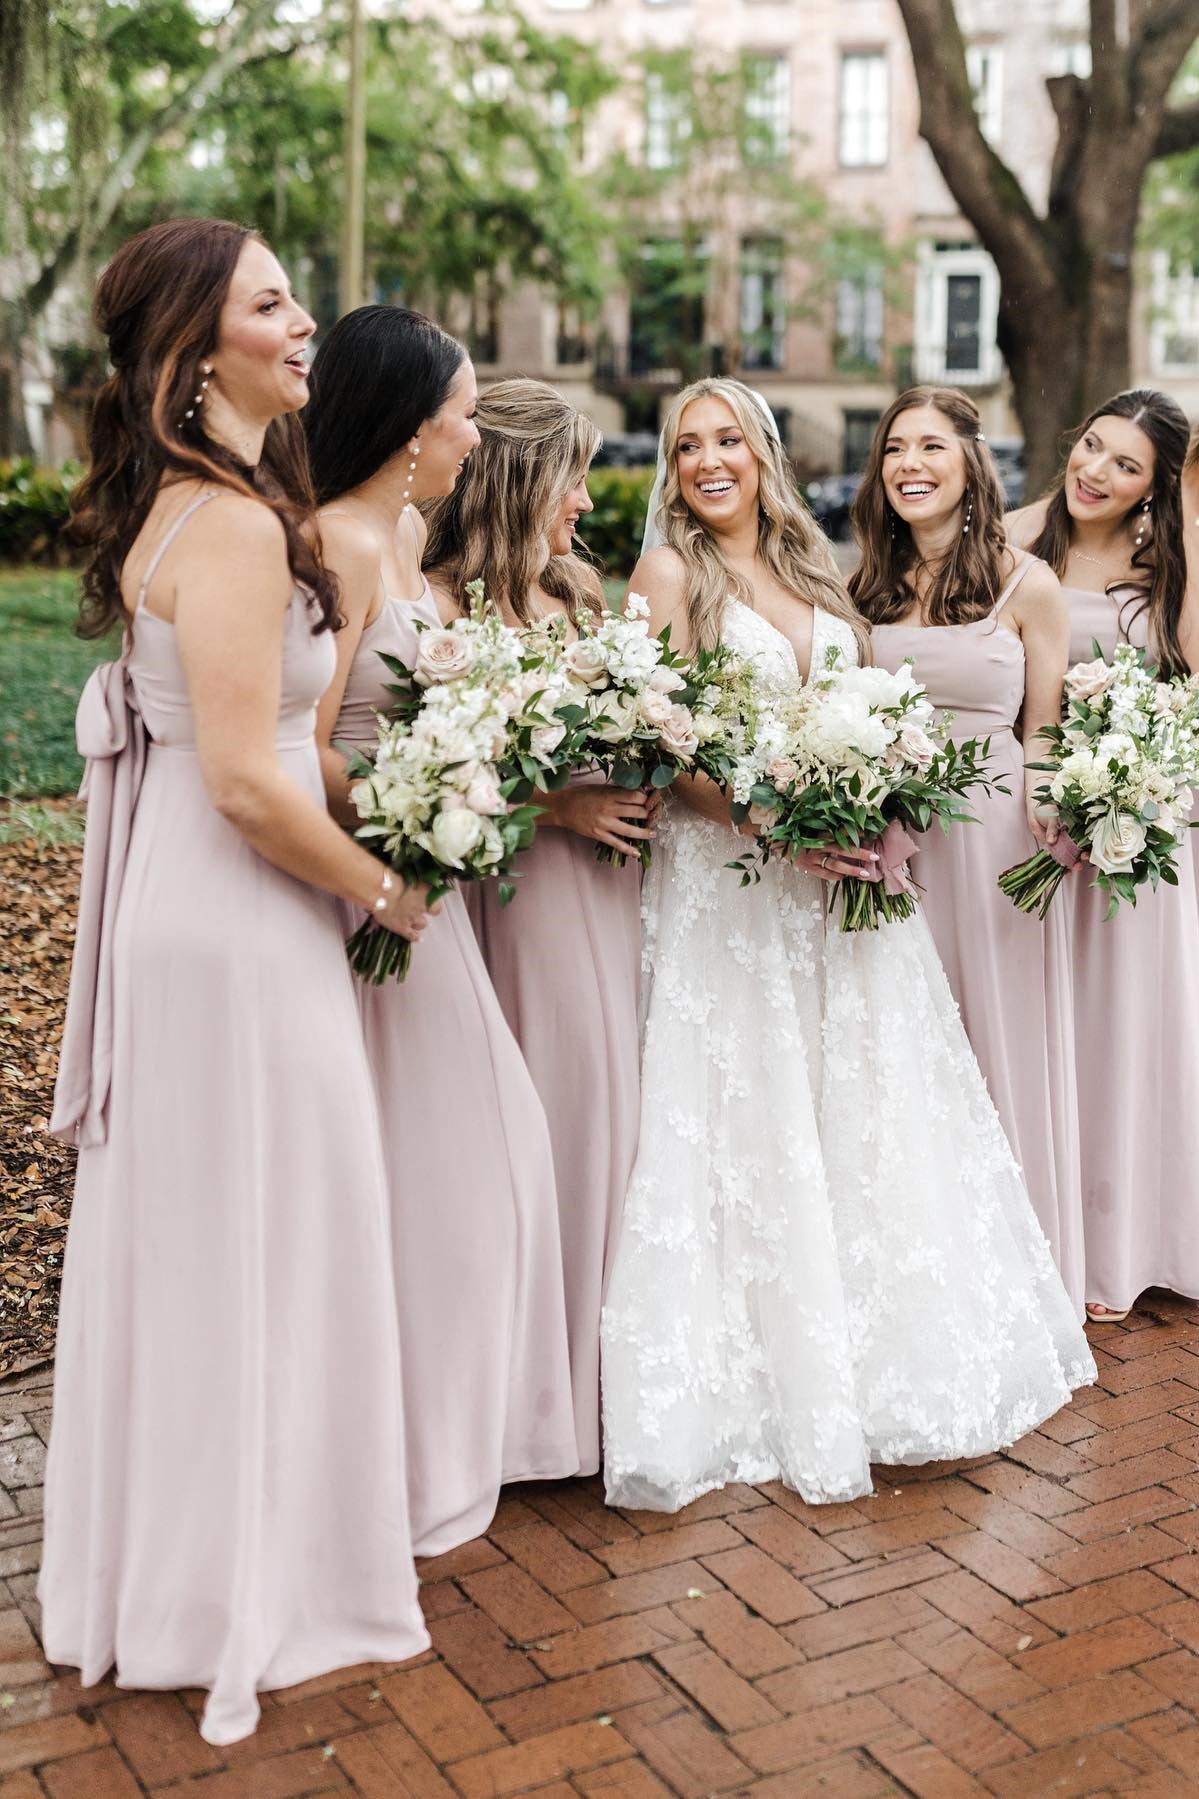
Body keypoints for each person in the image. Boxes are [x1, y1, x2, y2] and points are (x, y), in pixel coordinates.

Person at [41, 220, 431, 1746]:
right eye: (272, 302)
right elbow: (245, 789)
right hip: (238, 918)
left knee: (235, 1237)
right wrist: (386, 886)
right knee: (265, 1232)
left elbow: (278, 755)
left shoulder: (207, 505)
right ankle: (239, 1592)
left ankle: (199, 1570)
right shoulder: (227, 527)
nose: (304, 320)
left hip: (212, 917)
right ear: (200, 349)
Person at [600, 377, 1094, 1513]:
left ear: (764, 451)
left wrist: (868, 798)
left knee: (851, 1099)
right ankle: (760, 1367)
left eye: (727, 439)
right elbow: (648, 731)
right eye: (686, 447)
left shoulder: (819, 571)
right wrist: (754, 812)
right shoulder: (667, 574)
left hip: (831, 879)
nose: (707, 461)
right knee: (748, 1103)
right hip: (729, 877)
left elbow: (870, 700)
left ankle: (880, 1352)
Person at [304, 307, 578, 1552]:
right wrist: (424, 806)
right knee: (438, 1166)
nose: (478, 431)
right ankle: (391, 1456)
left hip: (435, 881)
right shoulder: (332, 548)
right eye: (464, 410)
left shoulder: (406, 533)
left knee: (480, 1160)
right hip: (372, 885)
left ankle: (456, 1434)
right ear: (411, 423)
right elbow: (299, 749)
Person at [423, 378, 644, 1474]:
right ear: (519, 478)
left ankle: (595, 1390)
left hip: (604, 894)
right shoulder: (434, 604)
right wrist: (554, 804)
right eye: (573, 476)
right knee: (528, 1126)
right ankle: (511, 1401)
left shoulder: (583, 594)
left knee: (607, 1115)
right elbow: (420, 774)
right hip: (509, 893)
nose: (586, 502)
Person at [853, 386, 1085, 1314]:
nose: (909, 464)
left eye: (930, 448)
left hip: (991, 840)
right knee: (906, 1042)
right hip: (889, 838)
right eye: (894, 450)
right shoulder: (858, 582)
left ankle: (1018, 1272)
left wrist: (1046, 794)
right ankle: (923, 1269)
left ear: (969, 464)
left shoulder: (1026, 584)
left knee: (995, 1037)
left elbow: (1045, 727)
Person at [1009, 388, 1199, 1322]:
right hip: (1035, 815)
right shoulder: (1010, 536)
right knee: (1040, 1018)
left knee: (1120, 1019)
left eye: (1126, 466)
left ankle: (1124, 1238)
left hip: (1135, 818)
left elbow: (1191, 671)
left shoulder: (1168, 565)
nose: (1095, 472)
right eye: (1091, 447)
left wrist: (1192, 525)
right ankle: (1038, 1227)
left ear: (1154, 486)